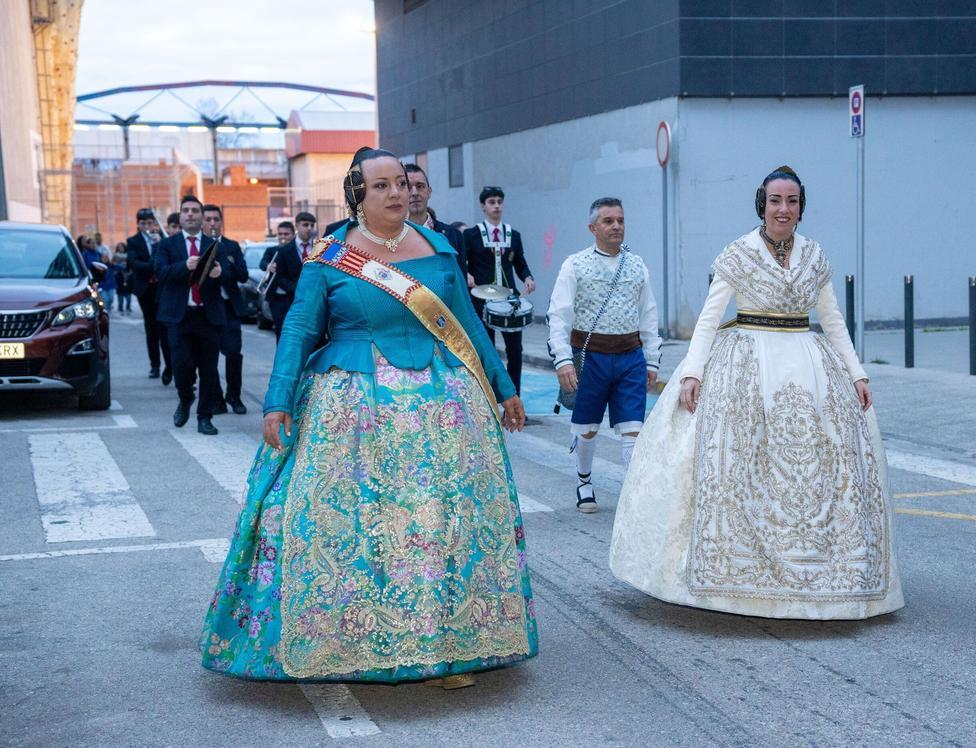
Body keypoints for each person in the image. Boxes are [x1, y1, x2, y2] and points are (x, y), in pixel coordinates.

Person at [199, 147, 537, 688]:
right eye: (382, 186)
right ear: (357, 194)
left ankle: (442, 645)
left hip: (442, 412)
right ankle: (350, 640)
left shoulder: (438, 250)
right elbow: (299, 328)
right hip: (355, 413)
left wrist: (503, 387)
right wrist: (278, 399)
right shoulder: (329, 257)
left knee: (436, 526)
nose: (397, 193)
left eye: (402, 182)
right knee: (352, 524)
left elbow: (468, 325)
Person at [609, 166, 903, 620]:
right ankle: (739, 575)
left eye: (792, 201)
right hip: (745, 362)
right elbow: (709, 318)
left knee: (823, 471)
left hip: (809, 364)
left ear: (801, 207)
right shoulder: (738, 253)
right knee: (738, 466)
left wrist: (857, 373)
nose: (783, 209)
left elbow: (832, 319)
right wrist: (692, 373)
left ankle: (823, 574)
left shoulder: (815, 256)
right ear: (762, 205)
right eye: (775, 201)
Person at [547, 197, 661, 512]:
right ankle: (584, 482)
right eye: (608, 221)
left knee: (633, 428)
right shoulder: (574, 264)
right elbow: (559, 314)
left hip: (630, 356)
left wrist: (652, 358)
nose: (616, 226)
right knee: (587, 428)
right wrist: (563, 360)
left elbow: (648, 314)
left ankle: (634, 498)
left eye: (620, 220)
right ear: (592, 227)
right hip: (590, 357)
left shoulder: (637, 264)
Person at [153, 194, 226, 436]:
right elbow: (160, 273)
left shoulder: (214, 245)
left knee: (208, 370)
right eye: (186, 210)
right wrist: (184, 266)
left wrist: (220, 274)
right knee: (181, 367)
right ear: (180, 216)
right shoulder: (167, 246)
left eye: (195, 210)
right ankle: (185, 398)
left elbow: (232, 274)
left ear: (202, 216)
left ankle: (205, 417)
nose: (191, 214)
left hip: (208, 316)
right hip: (179, 317)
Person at [460, 186, 535, 394]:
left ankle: (515, 395)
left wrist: (528, 277)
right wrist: (466, 273)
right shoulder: (471, 234)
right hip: (481, 299)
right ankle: (490, 396)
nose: (496, 206)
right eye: (491, 202)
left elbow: (520, 264)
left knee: (515, 350)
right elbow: (462, 261)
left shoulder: (513, 235)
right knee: (487, 350)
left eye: (499, 202)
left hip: (509, 299)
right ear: (483, 206)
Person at [202, 204, 250, 415]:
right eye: (208, 220)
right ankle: (216, 398)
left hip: (229, 307)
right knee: (208, 357)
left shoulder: (232, 246)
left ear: (221, 222)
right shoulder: (198, 247)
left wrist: (227, 266)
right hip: (206, 309)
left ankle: (234, 395)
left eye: (216, 219)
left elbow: (243, 275)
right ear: (202, 223)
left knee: (233, 353)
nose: (212, 223)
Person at [126, 208, 172, 382]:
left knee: (164, 328)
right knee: (151, 328)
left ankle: (169, 365)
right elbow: (134, 263)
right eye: (143, 223)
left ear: (154, 224)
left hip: (162, 289)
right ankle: (155, 365)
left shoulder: (161, 239)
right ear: (138, 224)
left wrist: (160, 244)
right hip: (145, 290)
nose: (147, 226)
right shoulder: (133, 241)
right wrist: (153, 264)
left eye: (150, 223)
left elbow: (168, 259)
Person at [404, 162, 467, 275]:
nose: (415, 193)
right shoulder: (391, 238)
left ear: (429, 192)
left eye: (420, 186)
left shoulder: (453, 236)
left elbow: (460, 281)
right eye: (408, 187)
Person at [262, 221, 302, 342]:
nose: (282, 237)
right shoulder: (271, 250)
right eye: (280, 234)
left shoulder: (297, 251)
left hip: (293, 295)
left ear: (293, 234)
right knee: (280, 329)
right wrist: (268, 265)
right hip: (277, 297)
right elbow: (262, 263)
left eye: (286, 234)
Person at [113, 242, 132, 314]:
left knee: (128, 293)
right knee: (120, 293)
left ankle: (128, 307)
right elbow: (113, 265)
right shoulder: (115, 255)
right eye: (119, 247)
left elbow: (131, 265)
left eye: (122, 247)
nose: (121, 248)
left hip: (127, 276)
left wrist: (130, 272)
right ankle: (120, 307)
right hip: (119, 276)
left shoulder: (129, 255)